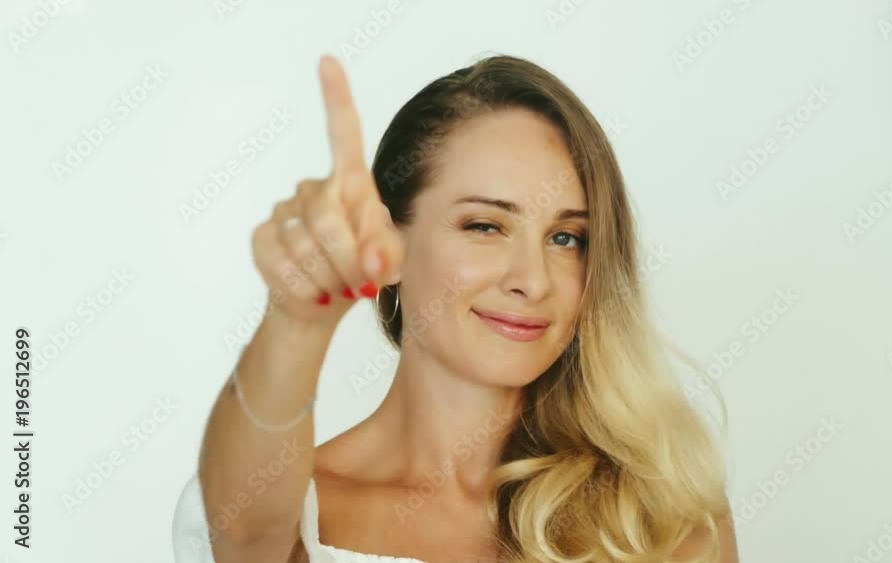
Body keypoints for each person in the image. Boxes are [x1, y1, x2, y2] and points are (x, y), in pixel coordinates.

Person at [172, 54, 739, 563]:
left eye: (567, 238)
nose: (532, 281)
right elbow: (242, 532)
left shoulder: (654, 517)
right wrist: (298, 316)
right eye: (485, 226)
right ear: (391, 243)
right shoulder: (294, 509)